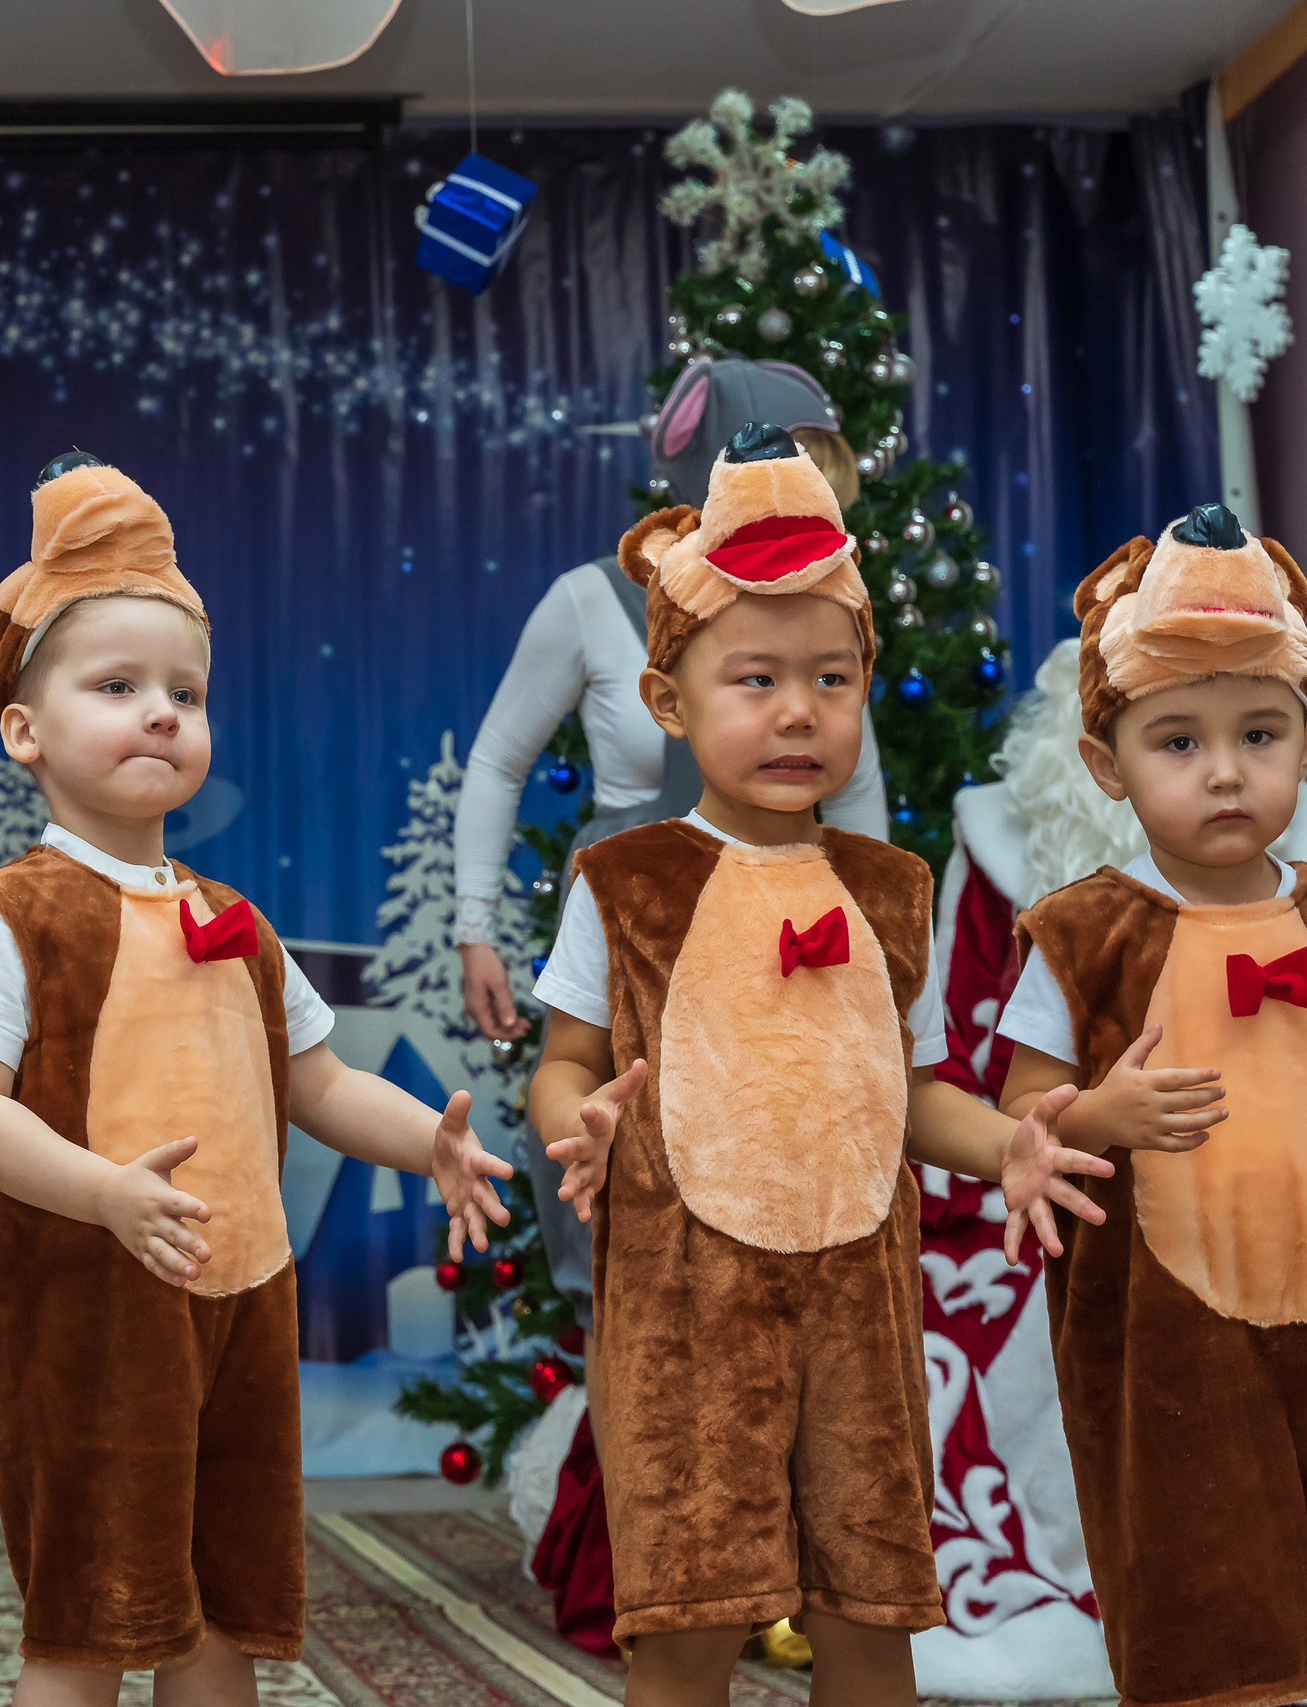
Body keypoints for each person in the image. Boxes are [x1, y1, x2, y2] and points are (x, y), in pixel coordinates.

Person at [0, 451, 514, 1707]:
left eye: (184, 692)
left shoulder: (235, 921)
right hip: (91, 1313)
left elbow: (320, 1080)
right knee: (84, 1621)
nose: (159, 712)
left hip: (241, 1299)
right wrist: (103, 1196)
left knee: (220, 1612)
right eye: (118, 685)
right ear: (23, 731)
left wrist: (430, 1146)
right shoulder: (9, 916)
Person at [533, 425, 1104, 1706]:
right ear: (670, 701)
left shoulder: (889, 891)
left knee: (872, 1612)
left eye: (832, 680)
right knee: (684, 1620)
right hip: (683, 1309)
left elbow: (912, 1096)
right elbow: (563, 1061)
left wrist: (1004, 1143)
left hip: (856, 1303)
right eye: (756, 680)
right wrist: (580, 1122)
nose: (798, 712)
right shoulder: (626, 884)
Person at [456, 357, 888, 1333]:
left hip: (782, 916)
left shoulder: (829, 599)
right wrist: (473, 927)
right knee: (621, 1203)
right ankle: (627, 1430)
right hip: (639, 923)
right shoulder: (588, 602)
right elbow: (496, 761)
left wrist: (864, 923)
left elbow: (860, 788)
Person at [997, 504, 1307, 1707]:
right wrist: (1100, 1115)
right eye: (1177, 742)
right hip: (1172, 1337)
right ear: (1107, 763)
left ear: (1305, 739)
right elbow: (1023, 1115)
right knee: (1210, 1608)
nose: (1226, 771)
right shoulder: (1083, 932)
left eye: (1258, 734)